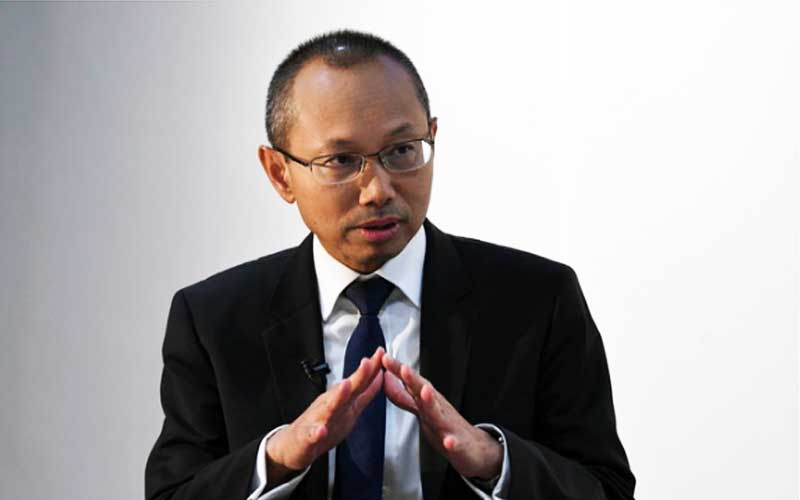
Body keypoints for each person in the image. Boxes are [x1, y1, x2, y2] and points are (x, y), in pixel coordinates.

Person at [144, 30, 636, 500]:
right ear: (280, 174)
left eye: (402, 151)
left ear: (432, 138)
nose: (378, 190)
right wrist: (278, 458)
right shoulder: (213, 320)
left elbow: (607, 491)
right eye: (340, 160)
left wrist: (492, 460)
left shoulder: (538, 301)